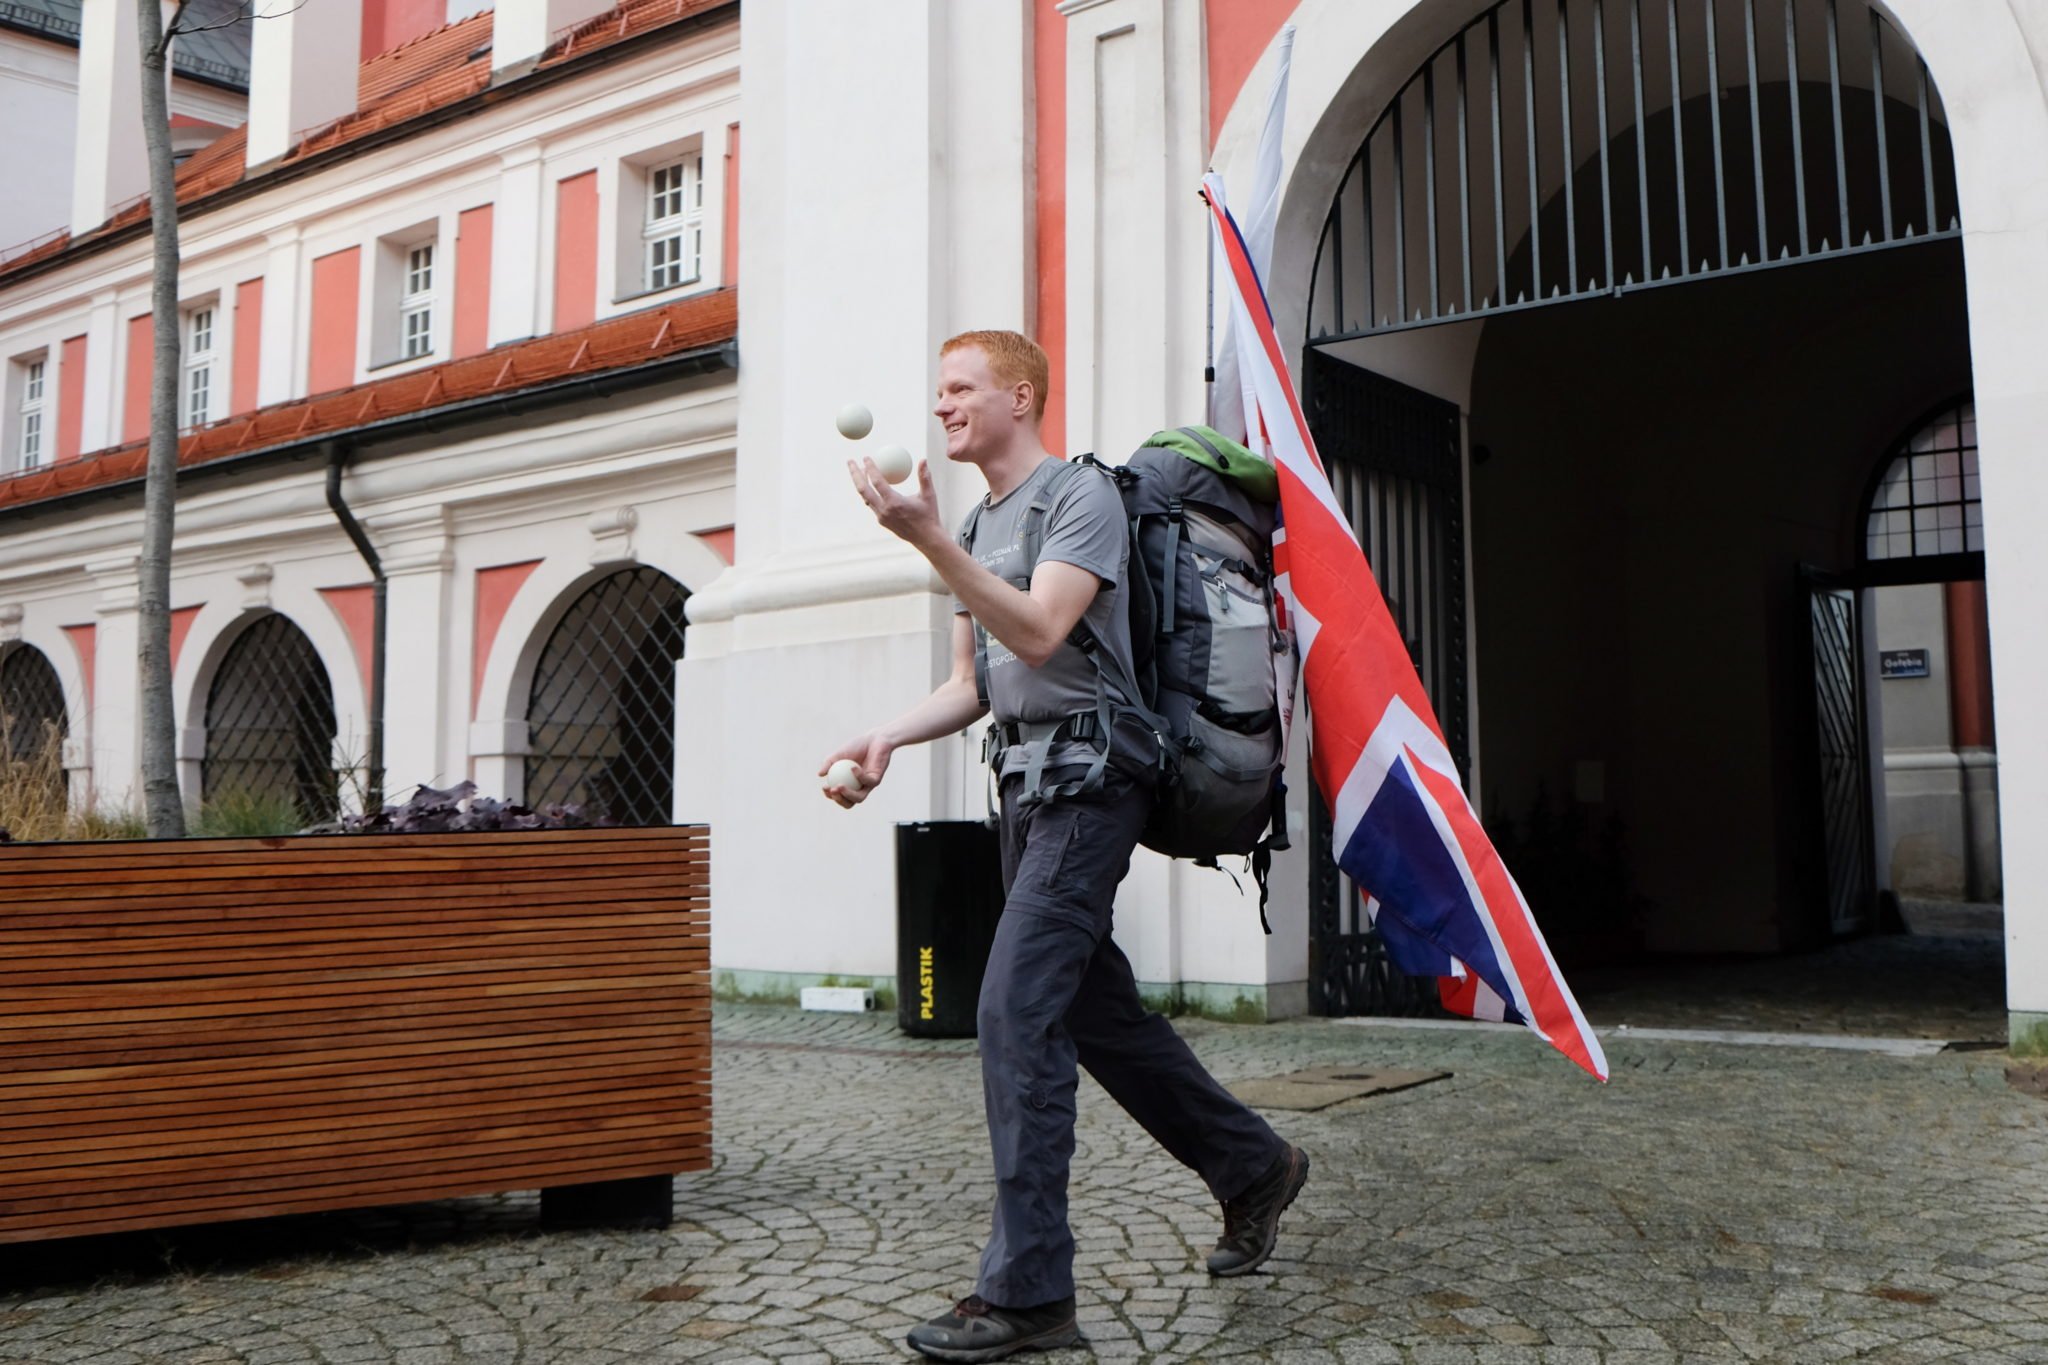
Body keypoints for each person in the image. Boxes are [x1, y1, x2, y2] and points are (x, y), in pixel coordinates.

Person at [821, 330, 1309, 1362]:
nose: (943, 406)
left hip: (1094, 784)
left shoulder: (1076, 496)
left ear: (1018, 395)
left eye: (961, 389)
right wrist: (885, 738)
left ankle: (1030, 1291)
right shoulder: (975, 517)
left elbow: (1043, 632)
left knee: (1010, 1009)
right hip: (1026, 788)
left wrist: (928, 545)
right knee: (1093, 1010)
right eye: (939, 390)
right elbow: (979, 679)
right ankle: (1250, 1164)